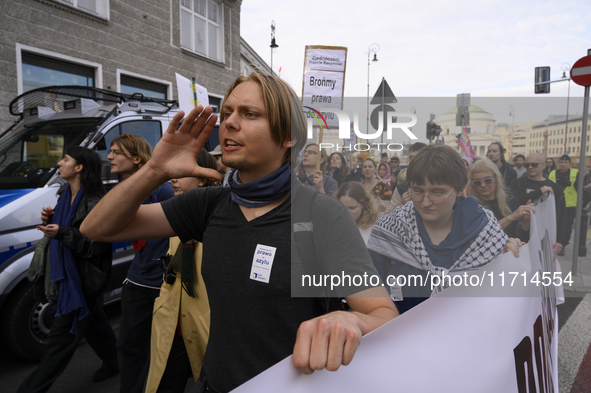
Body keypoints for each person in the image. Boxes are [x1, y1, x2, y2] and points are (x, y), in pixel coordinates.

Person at [80, 72, 397, 393]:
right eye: (227, 112)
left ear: (287, 136)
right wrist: (155, 169)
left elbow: (384, 314)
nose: (229, 122)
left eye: (250, 114)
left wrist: (352, 320)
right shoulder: (209, 203)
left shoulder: (322, 213)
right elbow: (97, 227)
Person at [368, 145, 522, 314]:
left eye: (438, 193)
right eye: (417, 191)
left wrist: (509, 259)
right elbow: (367, 298)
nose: (425, 202)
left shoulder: (487, 236)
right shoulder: (389, 231)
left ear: (460, 188)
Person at [18, 147, 118, 393]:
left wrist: (61, 232)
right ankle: (114, 361)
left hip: (83, 281)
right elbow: (69, 228)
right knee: (96, 326)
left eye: (65, 159)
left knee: (59, 342)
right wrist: (50, 221)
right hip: (75, 276)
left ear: (79, 167)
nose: (59, 162)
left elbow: (97, 245)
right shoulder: (66, 194)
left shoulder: (95, 200)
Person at [145, 150, 218, 393]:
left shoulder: (221, 219)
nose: (173, 179)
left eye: (181, 173)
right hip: (173, 320)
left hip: (204, 322)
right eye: (172, 174)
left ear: (202, 179)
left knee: (210, 381)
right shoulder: (175, 213)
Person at [107, 134, 174, 393]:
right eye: (110, 151)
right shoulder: (122, 191)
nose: (109, 157)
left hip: (163, 283)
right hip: (136, 279)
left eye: (116, 152)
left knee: (164, 349)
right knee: (128, 345)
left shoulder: (164, 190)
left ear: (136, 159)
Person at [509, 152, 567, 257]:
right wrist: (539, 192)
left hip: (545, 237)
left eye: (534, 164)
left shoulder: (556, 189)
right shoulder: (516, 183)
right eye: (527, 165)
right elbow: (513, 202)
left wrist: (560, 241)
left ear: (544, 165)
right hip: (519, 238)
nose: (530, 167)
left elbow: (562, 216)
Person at [469, 159, 535, 239]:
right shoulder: (471, 207)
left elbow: (522, 235)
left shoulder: (510, 200)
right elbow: (482, 235)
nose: (483, 185)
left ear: (496, 179)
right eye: (477, 182)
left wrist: (526, 221)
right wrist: (511, 217)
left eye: (488, 180)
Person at [549, 154, 579, 256]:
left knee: (566, 226)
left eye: (565, 163)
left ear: (569, 164)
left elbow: (579, 188)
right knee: (554, 224)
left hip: (570, 205)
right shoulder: (553, 173)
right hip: (556, 203)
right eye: (561, 162)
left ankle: (562, 245)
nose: (563, 164)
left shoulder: (575, 172)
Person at [385, 142, 427, 213]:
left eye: (418, 157)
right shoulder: (402, 188)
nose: (414, 161)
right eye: (411, 157)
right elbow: (385, 218)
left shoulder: (438, 184)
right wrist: (401, 203)